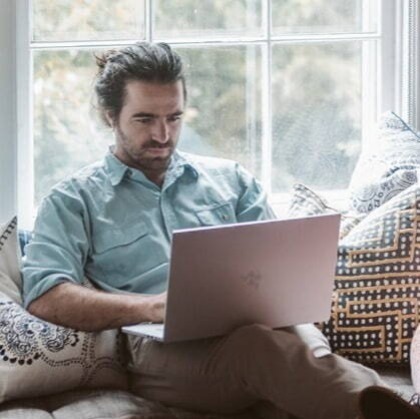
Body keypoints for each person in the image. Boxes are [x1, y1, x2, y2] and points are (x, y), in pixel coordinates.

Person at [22, 41, 418, 419]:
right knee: (259, 349)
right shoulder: (75, 200)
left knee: (301, 341)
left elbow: (279, 263)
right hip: (160, 351)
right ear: (111, 116)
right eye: (144, 119)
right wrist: (152, 306)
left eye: (174, 118)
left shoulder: (230, 180)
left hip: (260, 329)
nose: (162, 135)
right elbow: (45, 296)